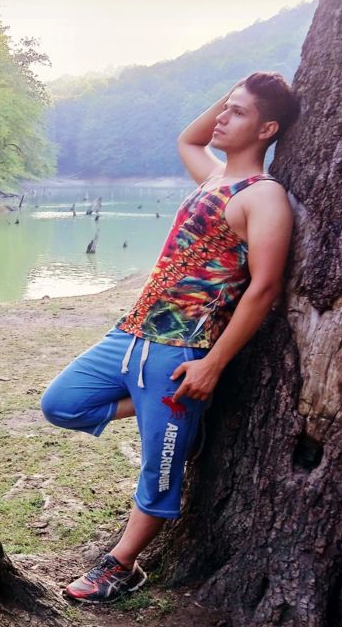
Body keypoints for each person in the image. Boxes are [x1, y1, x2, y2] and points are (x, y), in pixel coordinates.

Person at [40, 71, 300, 603]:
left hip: (182, 349)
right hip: (131, 333)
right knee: (61, 404)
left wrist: (213, 365)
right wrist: (236, 91)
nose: (222, 118)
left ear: (267, 129)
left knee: (160, 472)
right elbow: (189, 139)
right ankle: (175, 413)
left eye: (239, 113)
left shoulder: (263, 196)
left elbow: (265, 287)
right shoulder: (213, 177)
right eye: (224, 108)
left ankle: (121, 565)